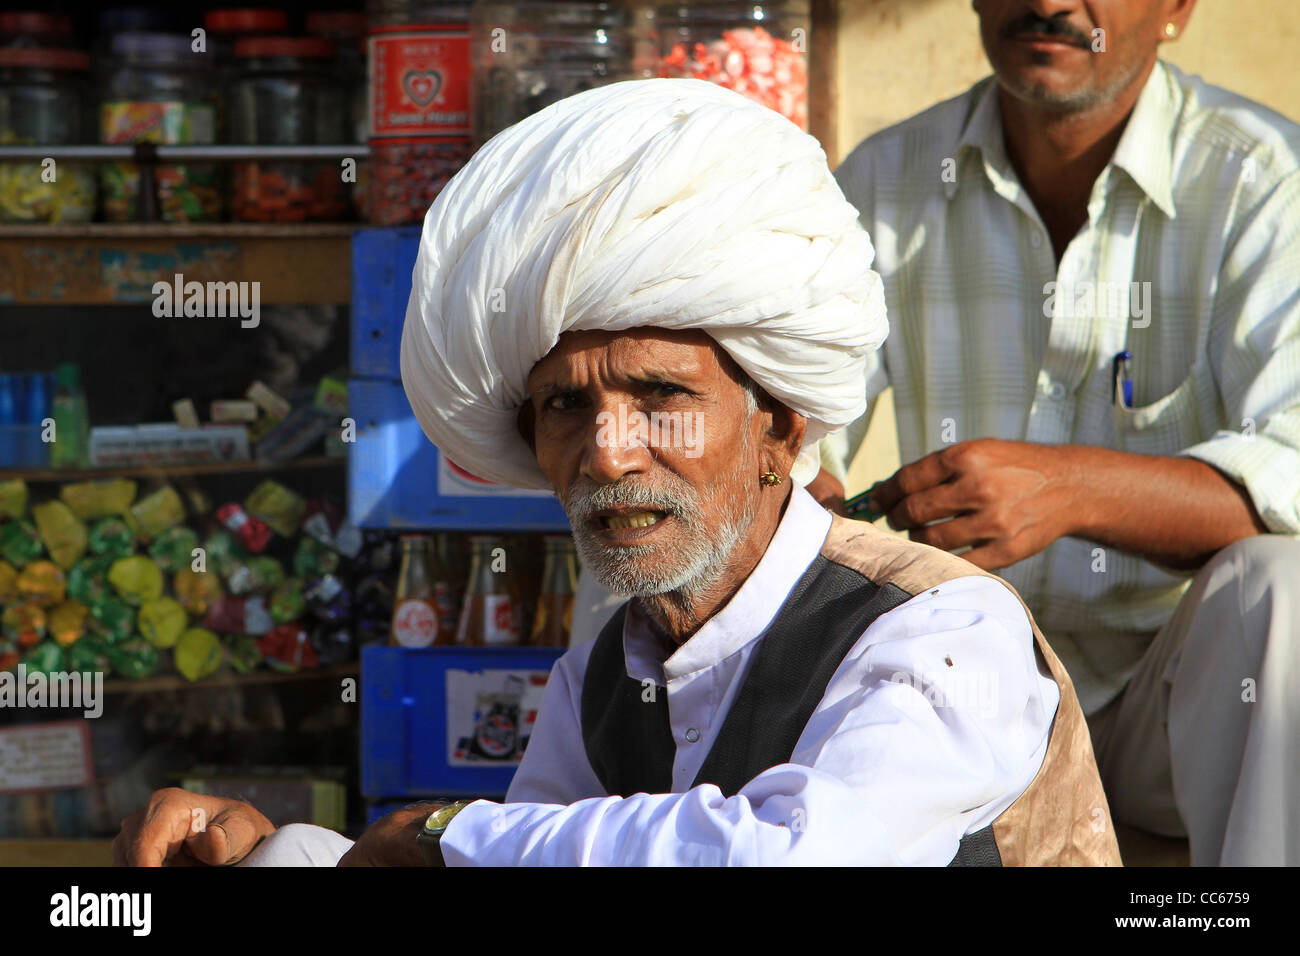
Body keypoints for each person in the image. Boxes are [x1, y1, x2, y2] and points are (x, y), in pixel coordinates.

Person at [114, 78, 1119, 867]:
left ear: (779, 422)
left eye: (659, 396)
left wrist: (439, 836)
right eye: (565, 405)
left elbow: (803, 852)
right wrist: (287, 848)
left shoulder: (939, 627)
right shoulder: (608, 663)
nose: (607, 449)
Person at [830, 0, 1300, 865]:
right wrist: (801, 493)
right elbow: (797, 429)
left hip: (1167, 713)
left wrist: (1073, 488)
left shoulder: (1264, 181)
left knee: (1287, 590)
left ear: (1177, 11)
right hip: (954, 696)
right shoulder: (885, 179)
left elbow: (1295, 471)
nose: (1047, 3)